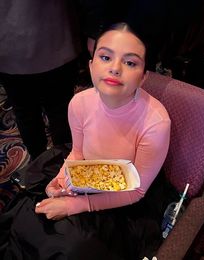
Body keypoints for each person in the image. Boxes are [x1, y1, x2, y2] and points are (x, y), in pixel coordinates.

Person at [0, 22, 174, 260]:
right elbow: (77, 152)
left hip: (128, 197)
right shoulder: (79, 103)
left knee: (73, 247)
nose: (114, 68)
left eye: (130, 62)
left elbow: (137, 190)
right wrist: (61, 180)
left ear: (143, 77)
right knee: (29, 216)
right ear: (91, 66)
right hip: (86, 175)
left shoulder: (156, 122)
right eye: (105, 57)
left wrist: (74, 206)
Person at [0, 0, 106, 160]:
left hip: (12, 45)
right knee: (58, 110)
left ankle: (40, 164)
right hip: (54, 38)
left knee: (26, 111)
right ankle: (61, 162)